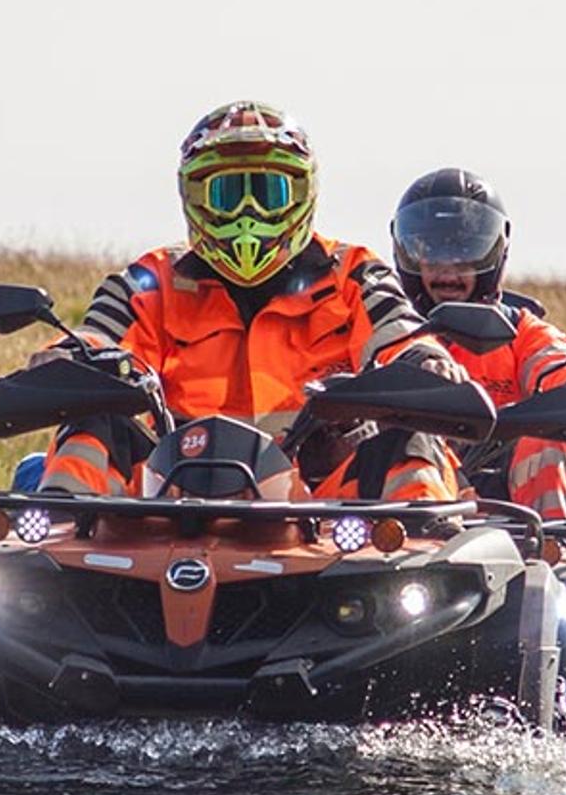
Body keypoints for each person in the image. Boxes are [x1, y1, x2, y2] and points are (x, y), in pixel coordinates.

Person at [38, 102, 474, 505]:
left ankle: (421, 562)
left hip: (320, 504)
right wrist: (65, 359)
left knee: (410, 440)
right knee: (92, 427)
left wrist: (425, 359)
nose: (250, 211)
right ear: (194, 198)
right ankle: (54, 559)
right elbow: (100, 335)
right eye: (227, 194)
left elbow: (397, 330)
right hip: (169, 498)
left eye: (270, 191)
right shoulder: (149, 281)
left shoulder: (354, 272)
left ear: (302, 194)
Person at [388, 166, 566, 523]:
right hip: (408, 513)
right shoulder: (385, 328)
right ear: (406, 253)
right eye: (432, 254)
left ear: (493, 253)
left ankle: (559, 560)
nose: (448, 271)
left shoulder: (521, 330)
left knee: (551, 444)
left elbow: (557, 365)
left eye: (465, 253)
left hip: (508, 508)